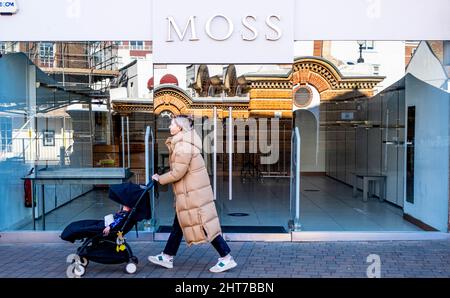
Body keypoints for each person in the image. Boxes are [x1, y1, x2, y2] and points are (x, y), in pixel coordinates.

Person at [148, 115, 237, 273]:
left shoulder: (183, 146)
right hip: (190, 193)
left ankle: (226, 257)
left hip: (193, 195)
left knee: (205, 225)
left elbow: (177, 173)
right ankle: (167, 256)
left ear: (180, 128)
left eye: (172, 124)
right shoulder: (184, 143)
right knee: (180, 224)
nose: (169, 126)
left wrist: (159, 179)